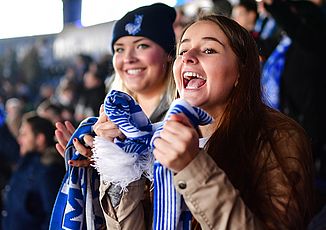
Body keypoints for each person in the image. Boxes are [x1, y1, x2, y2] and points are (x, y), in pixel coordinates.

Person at [56, 13, 314, 230]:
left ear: (241, 71)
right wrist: (116, 165)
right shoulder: (155, 137)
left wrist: (192, 166)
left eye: (209, 49)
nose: (189, 57)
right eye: (183, 49)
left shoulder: (278, 136)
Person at [53, 2, 177, 229]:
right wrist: (97, 163)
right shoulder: (106, 119)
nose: (127, 57)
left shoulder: (187, 119)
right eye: (119, 49)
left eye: (141, 46)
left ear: (169, 53)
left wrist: (122, 158)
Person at [1, 113, 65, 230]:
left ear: (40, 139)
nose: (20, 140)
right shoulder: (26, 164)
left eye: (24, 135)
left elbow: (53, 216)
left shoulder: (47, 172)